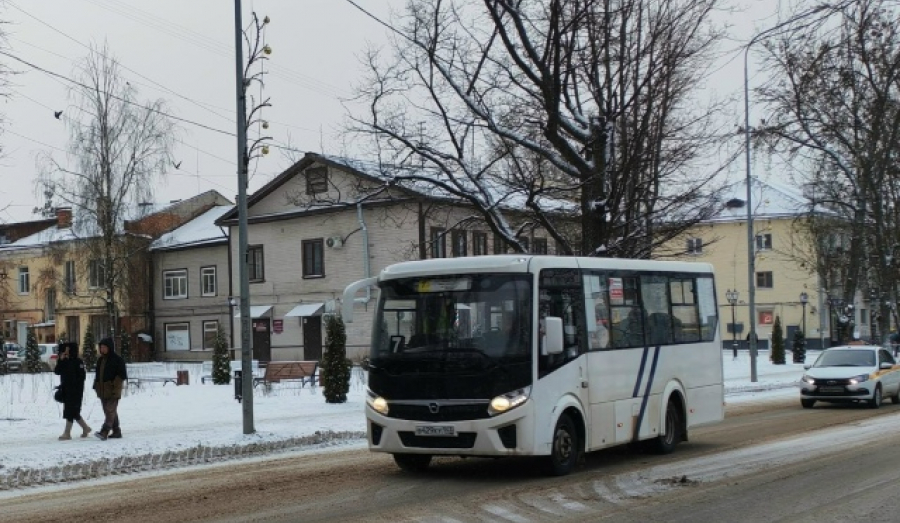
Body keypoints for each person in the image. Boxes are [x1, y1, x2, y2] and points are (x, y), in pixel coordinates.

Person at [54, 342, 92, 440]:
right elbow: (57, 371)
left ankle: (67, 433)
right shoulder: (64, 361)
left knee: (70, 411)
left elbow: (81, 377)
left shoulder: (78, 362)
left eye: (67, 350)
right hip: (66, 389)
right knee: (73, 412)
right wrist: (61, 360)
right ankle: (85, 428)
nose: (66, 353)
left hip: (76, 390)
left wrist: (75, 386)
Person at [93, 337, 127, 441]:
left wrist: (114, 385)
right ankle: (116, 431)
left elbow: (122, 375)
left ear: (109, 347)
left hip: (113, 389)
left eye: (104, 347)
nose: (102, 349)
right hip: (103, 389)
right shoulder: (100, 360)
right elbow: (98, 374)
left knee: (110, 410)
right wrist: (96, 385)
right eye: (101, 347)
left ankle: (104, 431)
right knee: (110, 411)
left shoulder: (117, 359)